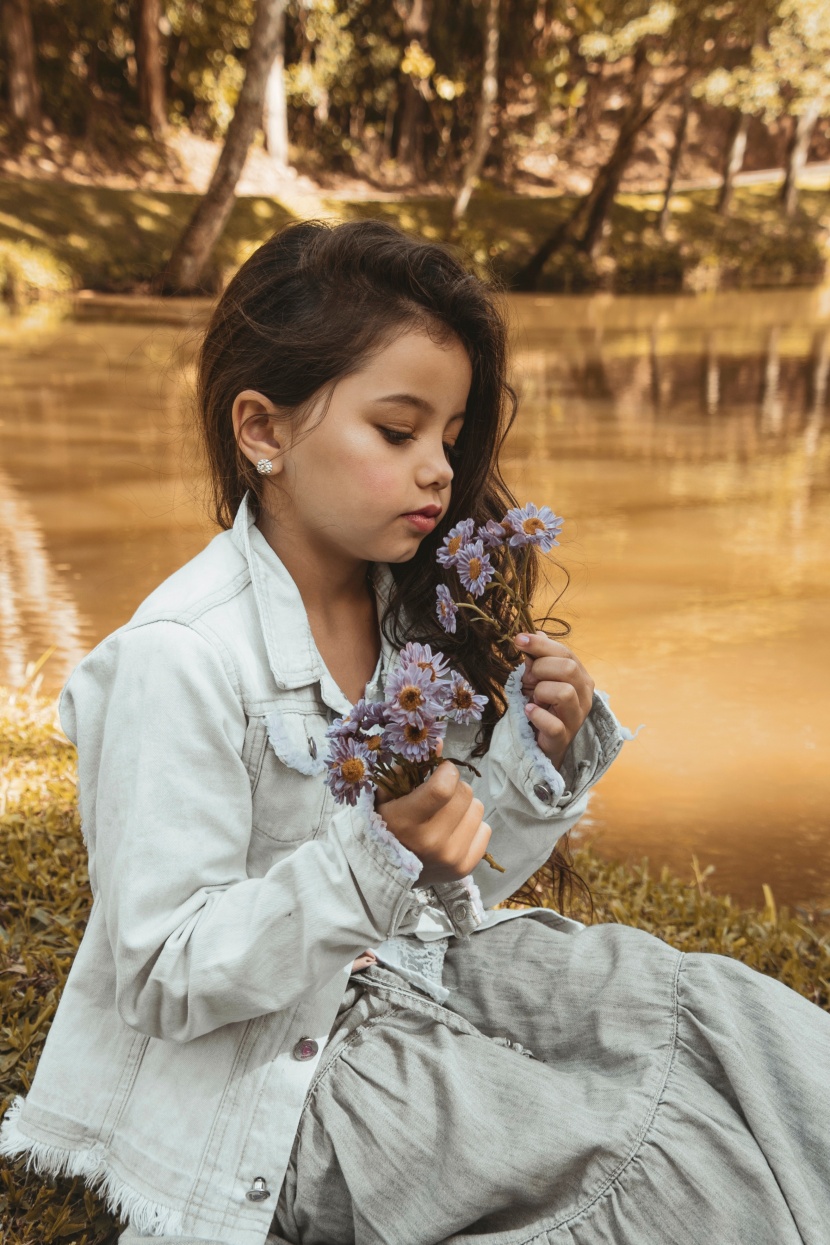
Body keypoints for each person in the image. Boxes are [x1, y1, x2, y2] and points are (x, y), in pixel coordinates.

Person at [2, 219, 828, 1245]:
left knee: (698, 1012)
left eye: (448, 434)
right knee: (599, 1144)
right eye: (397, 432)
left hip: (418, 971)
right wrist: (370, 864)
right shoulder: (179, 659)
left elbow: (448, 888)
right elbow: (167, 970)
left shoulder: (405, 616)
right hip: (272, 1074)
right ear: (261, 430)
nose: (440, 470)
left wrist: (534, 764)